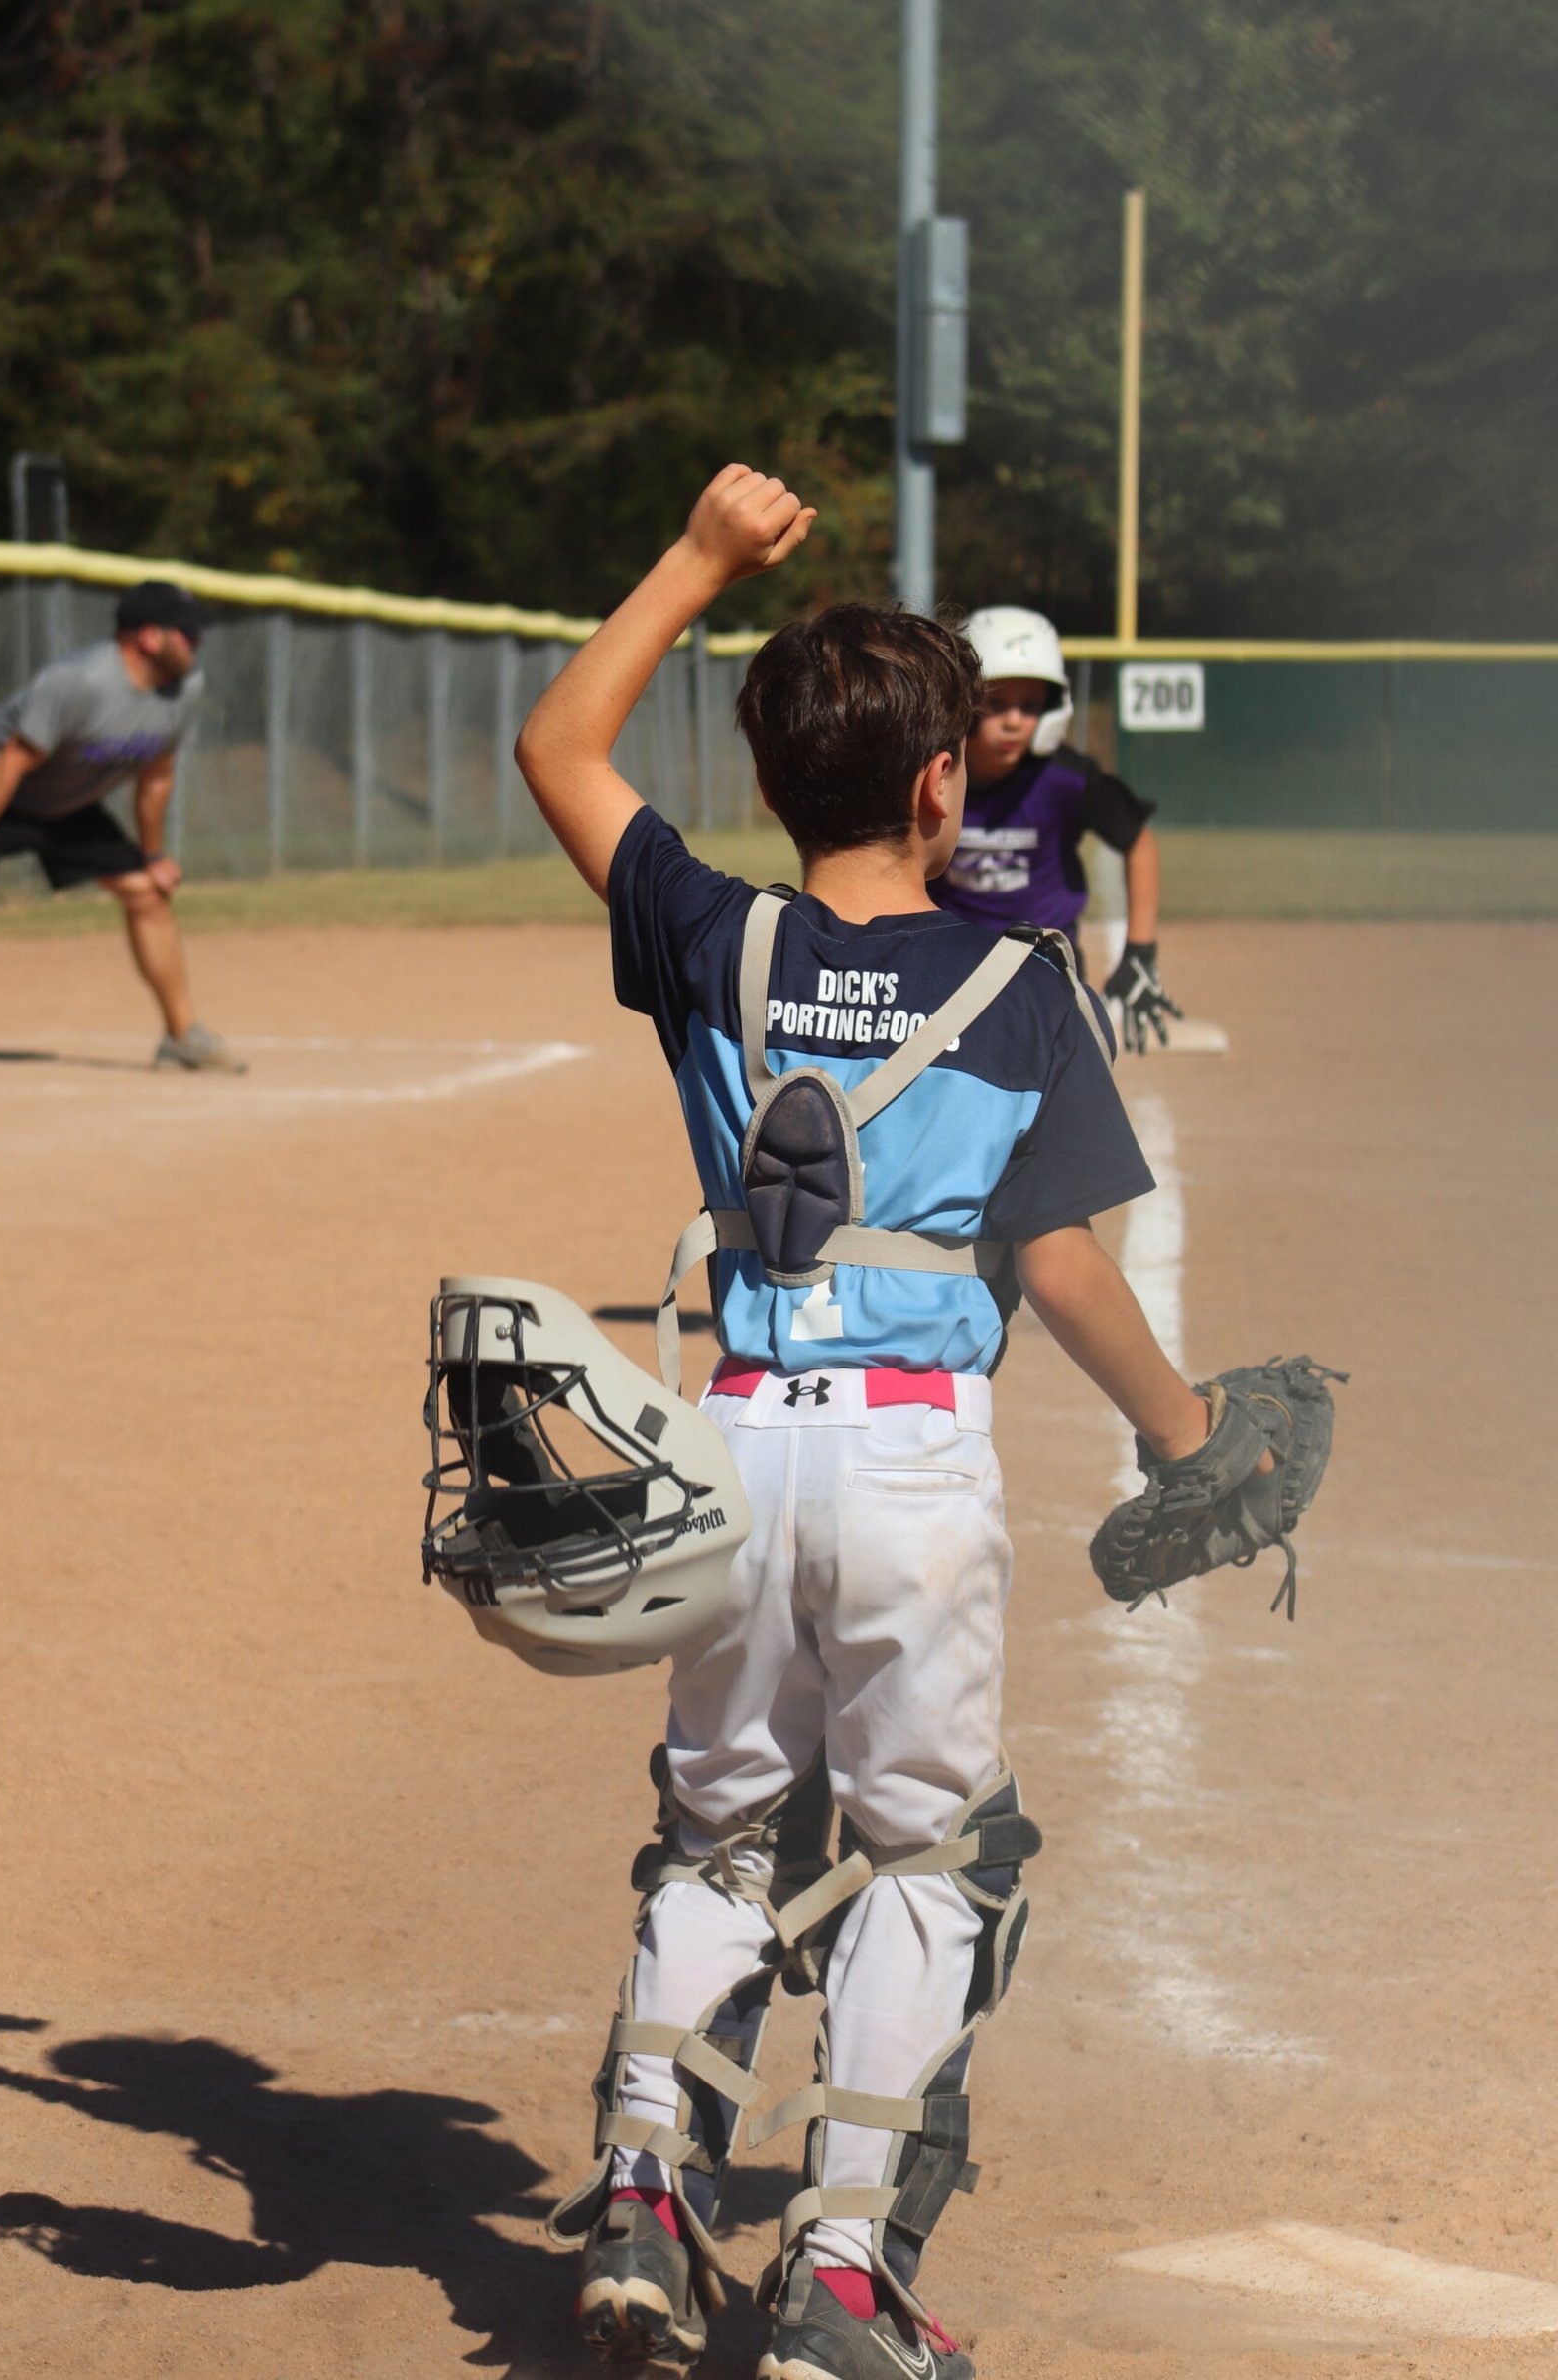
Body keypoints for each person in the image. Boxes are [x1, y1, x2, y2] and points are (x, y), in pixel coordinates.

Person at [514, 467, 1235, 2380]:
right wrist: (1183, 1431)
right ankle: (838, 2280)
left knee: (721, 1828)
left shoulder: (713, 937)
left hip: (738, 1442)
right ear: (944, 786)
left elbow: (558, 743)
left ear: (768, 787)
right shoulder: (1021, 988)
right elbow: (1060, 1266)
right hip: (914, 1454)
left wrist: (698, 555)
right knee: (925, 1855)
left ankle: (649, 2186)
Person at [0, 580, 245, 1072]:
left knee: (145, 892)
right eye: (188, 633)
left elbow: (156, 777)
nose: (198, 642)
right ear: (148, 637)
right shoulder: (77, 682)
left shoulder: (184, 690)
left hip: (61, 805)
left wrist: (153, 856)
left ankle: (182, 1036)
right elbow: (9, 766)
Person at [931, 604, 1183, 1054]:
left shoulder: (1065, 778)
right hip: (955, 960)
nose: (1013, 721)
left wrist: (1140, 951)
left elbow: (1138, 840)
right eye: (997, 703)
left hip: (1045, 963)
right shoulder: (935, 772)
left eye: (1029, 706)